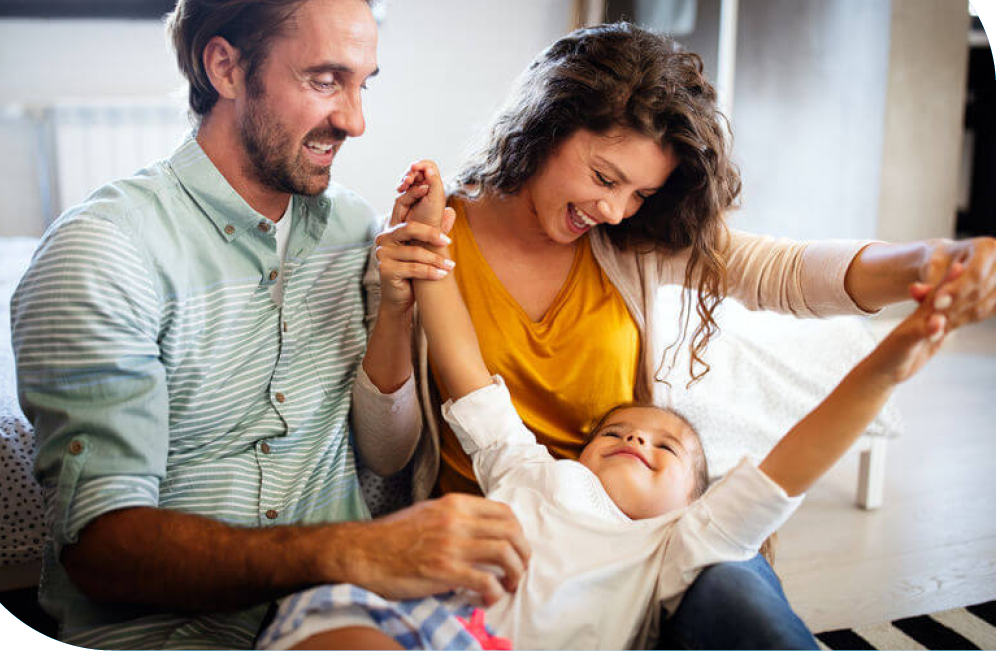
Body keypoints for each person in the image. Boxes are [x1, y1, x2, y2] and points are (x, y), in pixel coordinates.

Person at [366, 23, 996, 648]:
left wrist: (929, 264)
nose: (612, 212)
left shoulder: (628, 240)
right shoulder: (437, 256)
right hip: (495, 529)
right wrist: (408, 290)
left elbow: (787, 271)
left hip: (648, 535)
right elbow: (390, 451)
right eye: (605, 178)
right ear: (545, 128)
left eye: (640, 193)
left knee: (745, 608)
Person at [9, 0, 529, 649]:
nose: (354, 119)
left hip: (339, 612)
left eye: (362, 83)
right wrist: (355, 550)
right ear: (224, 66)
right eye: (324, 80)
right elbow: (101, 548)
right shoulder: (104, 252)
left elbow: (384, 456)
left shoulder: (351, 227)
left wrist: (396, 304)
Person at [258, 160, 965, 651]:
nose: (640, 442)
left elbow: (795, 460)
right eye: (620, 430)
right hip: (415, 618)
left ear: (695, 494)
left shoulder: (685, 543)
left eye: (668, 451)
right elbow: (466, 371)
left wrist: (896, 352)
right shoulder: (534, 472)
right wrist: (434, 236)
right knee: (334, 627)